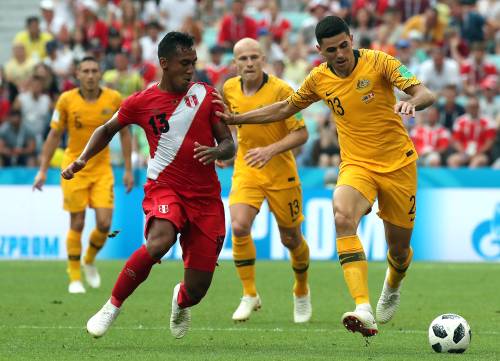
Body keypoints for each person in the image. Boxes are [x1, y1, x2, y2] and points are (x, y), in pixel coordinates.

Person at [214, 16, 436, 337]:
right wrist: (236, 118)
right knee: (342, 215)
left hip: (398, 165)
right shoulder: (318, 79)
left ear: (352, 39)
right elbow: (283, 109)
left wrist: (412, 102)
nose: (341, 54)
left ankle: (393, 282)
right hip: (356, 165)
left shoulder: (380, 62)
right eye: (332, 50)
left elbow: (425, 93)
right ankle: (363, 307)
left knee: (399, 249)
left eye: (345, 46)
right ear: (320, 51)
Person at [61, 32, 235, 339]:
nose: (190, 69)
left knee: (197, 288)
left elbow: (228, 144)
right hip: (164, 187)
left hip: (206, 199)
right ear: (165, 64)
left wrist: (217, 151)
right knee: (159, 241)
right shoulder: (141, 102)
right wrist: (82, 159)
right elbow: (107, 129)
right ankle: (112, 305)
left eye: (193, 62)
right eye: (184, 63)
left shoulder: (206, 95)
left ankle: (181, 300)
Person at [221, 38, 311, 323]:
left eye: (254, 58)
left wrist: (270, 150)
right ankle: (249, 294)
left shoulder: (282, 90)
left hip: (281, 173)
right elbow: (229, 124)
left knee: (291, 238)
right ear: (235, 63)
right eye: (243, 59)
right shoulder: (229, 89)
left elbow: (302, 134)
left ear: (263, 59)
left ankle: (301, 289)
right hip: (247, 168)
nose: (249, 63)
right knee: (238, 225)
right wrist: (225, 148)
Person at [33, 56, 134, 294]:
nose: (90, 75)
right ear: (77, 75)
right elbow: (54, 136)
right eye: (85, 71)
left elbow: (126, 134)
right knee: (77, 222)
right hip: (73, 169)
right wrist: (42, 170)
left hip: (101, 169)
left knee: (104, 223)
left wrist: (129, 169)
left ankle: (89, 259)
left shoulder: (113, 98)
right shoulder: (66, 100)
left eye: (94, 70)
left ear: (100, 74)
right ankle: (75, 277)